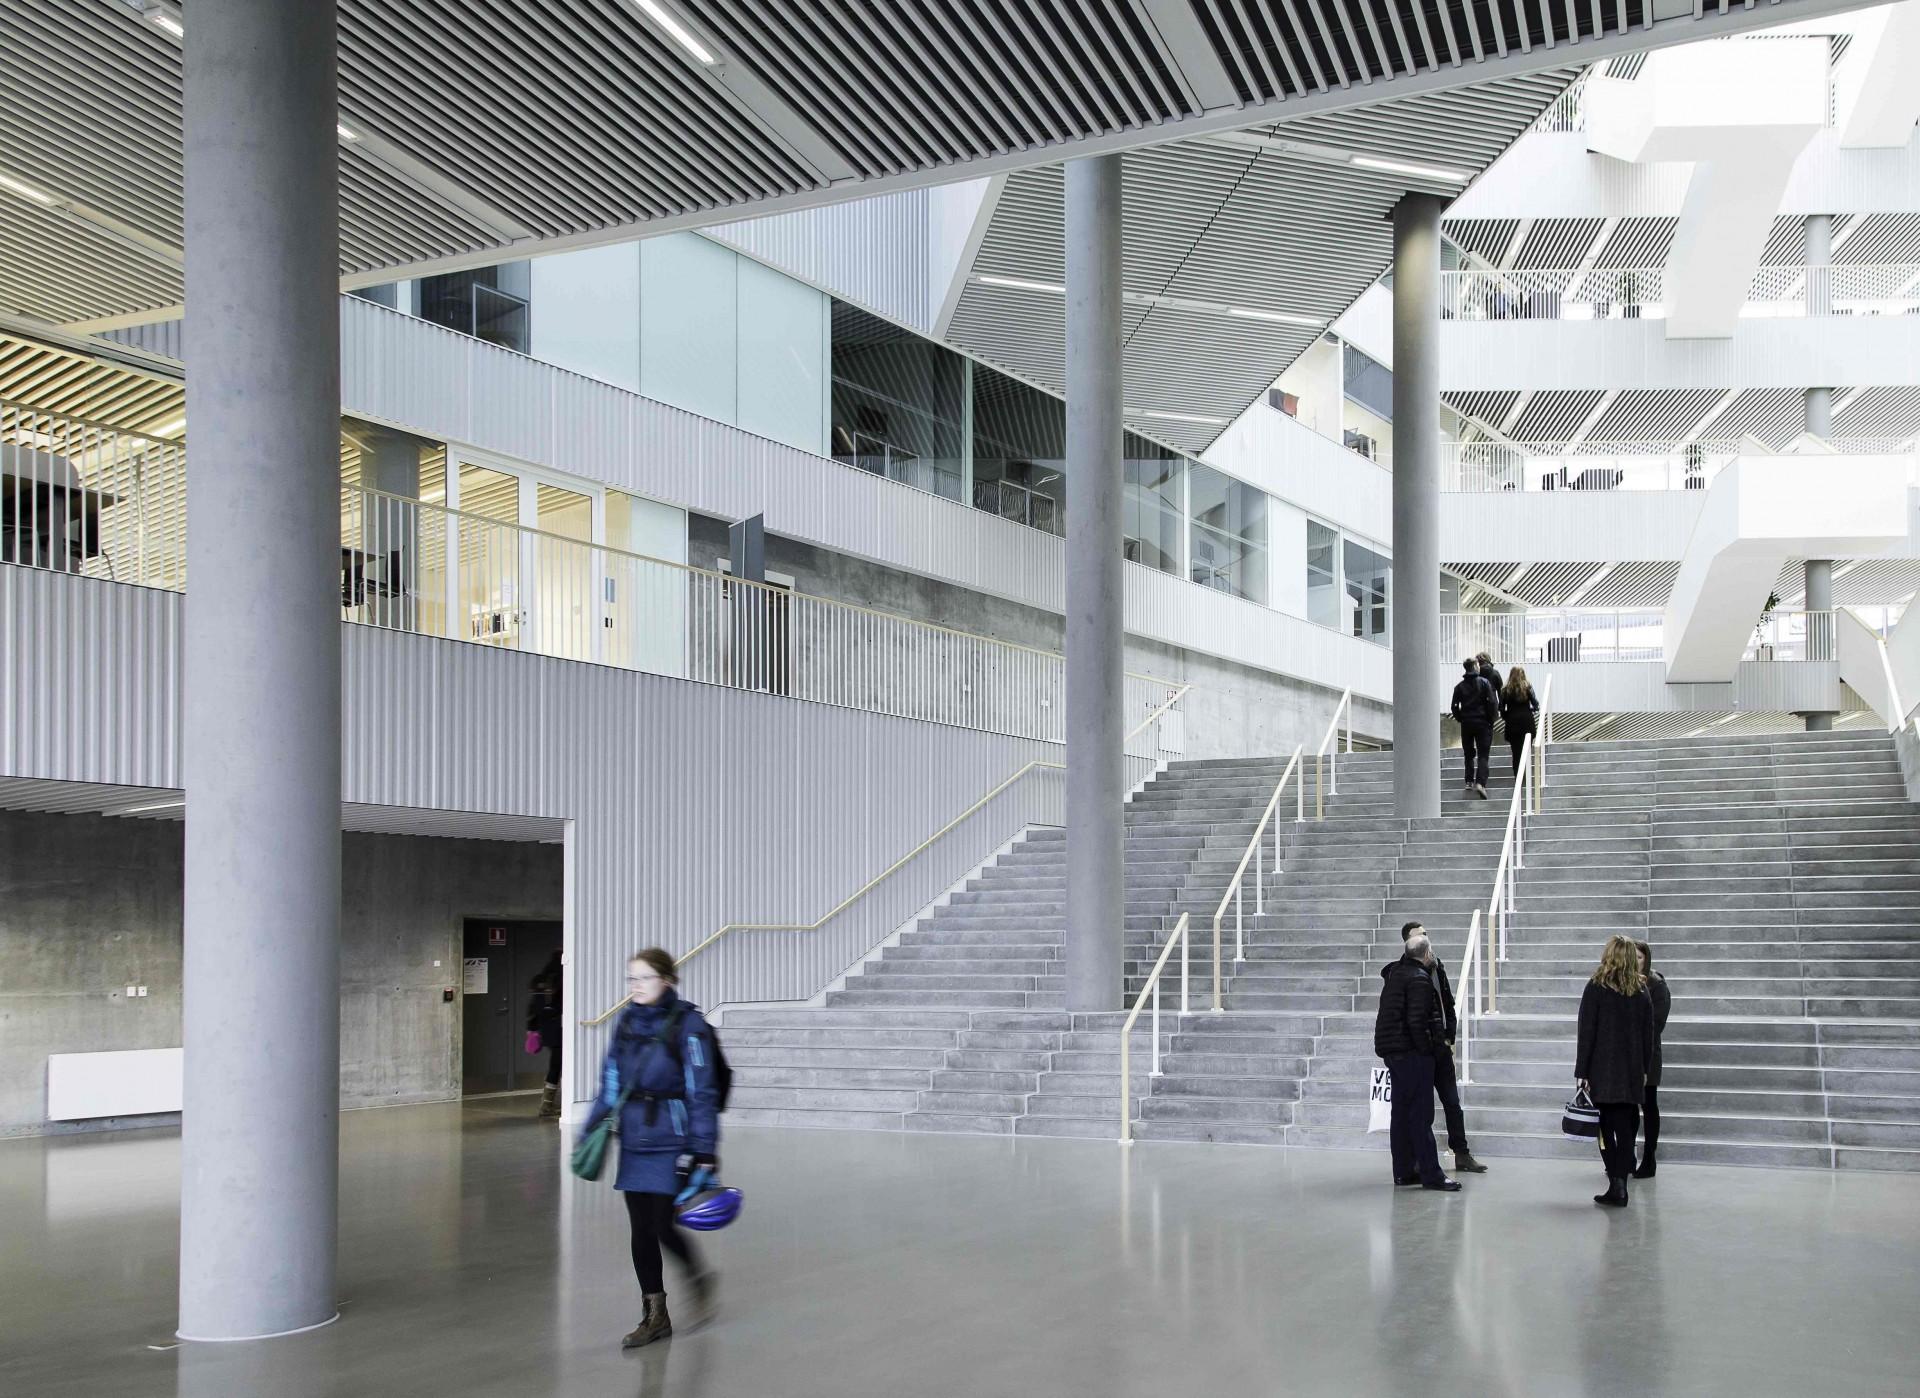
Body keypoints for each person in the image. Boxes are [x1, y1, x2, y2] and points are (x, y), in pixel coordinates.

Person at [581, 948, 721, 1347]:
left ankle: (697, 1276)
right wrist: (591, 1130)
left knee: (662, 1224)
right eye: (631, 978)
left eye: (644, 978)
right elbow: (610, 1080)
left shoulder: (689, 1025)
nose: (636, 986)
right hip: (634, 1137)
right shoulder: (626, 1022)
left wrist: (704, 1149)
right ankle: (655, 1314)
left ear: (667, 980)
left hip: (671, 1138)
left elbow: (702, 1092)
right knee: (640, 1230)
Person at [1373, 931, 1461, 1192]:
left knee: (1400, 1114)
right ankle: (1431, 1174)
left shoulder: (1395, 975)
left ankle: (1402, 1171)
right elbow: (1417, 1022)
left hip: (1393, 1054)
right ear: (1425, 954)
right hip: (1413, 1055)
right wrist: (1428, 1051)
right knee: (1421, 1116)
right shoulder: (1420, 979)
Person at [1575, 935, 1656, 1208]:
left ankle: (1617, 1183)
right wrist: (1644, 1068)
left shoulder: (1596, 987)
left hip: (1603, 1071)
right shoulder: (1641, 990)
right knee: (1627, 1127)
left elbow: (1586, 1032)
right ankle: (1621, 1179)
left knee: (1604, 1129)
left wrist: (1581, 1071)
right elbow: (1649, 1035)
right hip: (1631, 1072)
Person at [1400, 921, 1487, 1174]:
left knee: (1452, 1102)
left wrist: (1450, 1037)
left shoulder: (1437, 966)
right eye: (1420, 935)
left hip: (1441, 1048)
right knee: (1422, 1107)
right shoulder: (1404, 970)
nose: (1427, 938)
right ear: (1409, 942)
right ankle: (1419, 1159)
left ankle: (1462, 1153)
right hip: (1422, 1051)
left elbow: (1447, 1003)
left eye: (1427, 933)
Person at [1634, 940, 1671, 1179]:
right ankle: (1626, 1157)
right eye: (1633, 956)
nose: (1636, 961)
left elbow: (1657, 1023)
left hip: (1648, 1054)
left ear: (1647, 959)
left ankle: (1649, 1157)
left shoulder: (1656, 984)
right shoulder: (1623, 981)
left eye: (1640, 957)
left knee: (1649, 1105)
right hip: (1626, 1055)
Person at [1449, 657, 1496, 799]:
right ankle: (1480, 783)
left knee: (1468, 753)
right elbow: (1492, 702)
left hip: (1467, 723)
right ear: (1475, 666)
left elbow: (1454, 706)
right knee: (1483, 754)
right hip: (1482, 722)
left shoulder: (1459, 687)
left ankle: (1469, 780)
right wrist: (1491, 718)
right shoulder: (1484, 682)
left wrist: (1460, 718)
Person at [527, 951, 564, 1119]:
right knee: (557, 1067)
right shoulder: (560, 983)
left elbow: (532, 1010)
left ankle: (549, 1103)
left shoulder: (541, 981)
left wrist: (532, 1029)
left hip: (547, 1032)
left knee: (555, 1066)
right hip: (559, 1031)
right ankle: (547, 1105)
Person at [1499, 666, 1540, 780]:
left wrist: (1507, 716)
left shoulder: (1505, 689)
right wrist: (1528, 710)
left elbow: (1501, 708)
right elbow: (1536, 705)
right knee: (1526, 750)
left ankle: (1518, 777)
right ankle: (1527, 776)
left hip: (1512, 722)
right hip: (1526, 721)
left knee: (1516, 752)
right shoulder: (1528, 687)